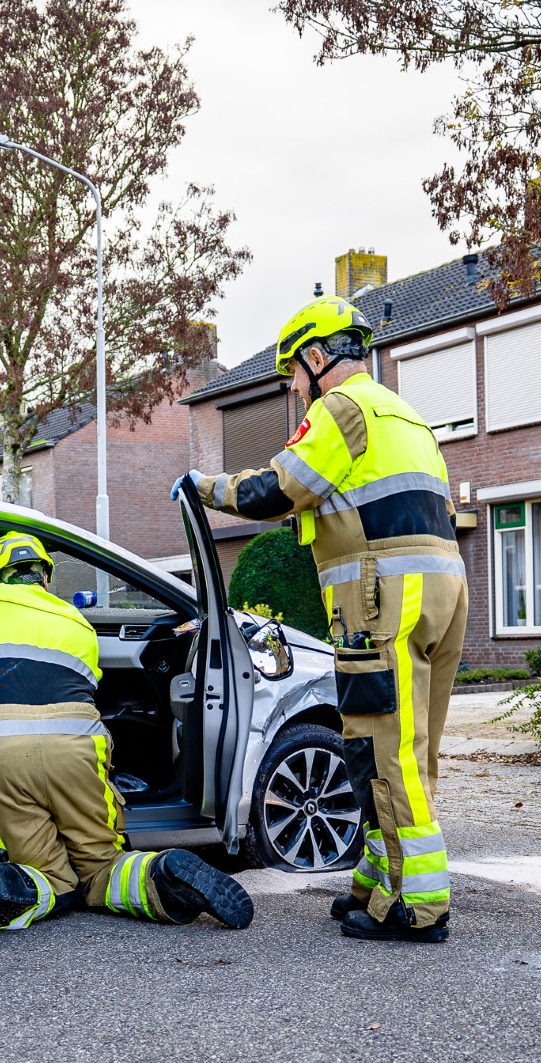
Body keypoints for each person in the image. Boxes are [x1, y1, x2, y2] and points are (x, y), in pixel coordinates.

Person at [178, 292, 467, 944]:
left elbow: (273, 490)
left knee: (387, 754)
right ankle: (376, 880)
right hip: (443, 592)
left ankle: (417, 908)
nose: (294, 391)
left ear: (314, 357)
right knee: (401, 753)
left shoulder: (340, 409)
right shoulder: (406, 416)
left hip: (384, 595)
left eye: (291, 377)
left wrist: (202, 486)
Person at [0, 531, 254, 953]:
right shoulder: (75, 619)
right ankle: (165, 876)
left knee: (46, 876)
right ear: (45, 577)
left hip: (1, 750)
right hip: (75, 747)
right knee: (102, 865)